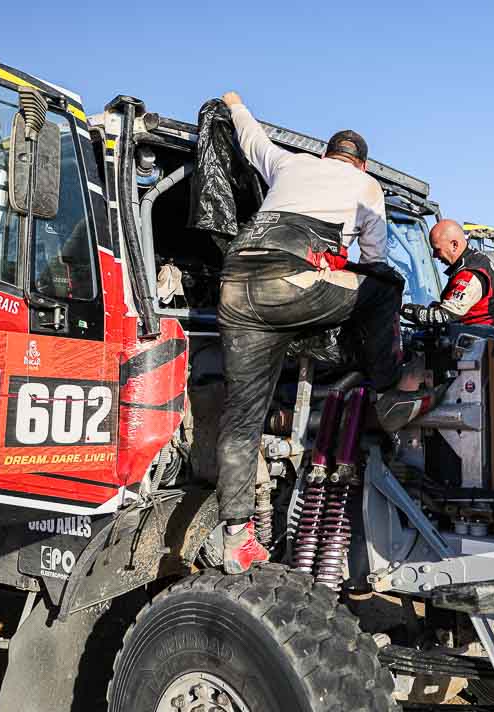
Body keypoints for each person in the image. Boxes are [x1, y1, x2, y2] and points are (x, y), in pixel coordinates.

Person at [212, 91, 432, 574]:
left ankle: (237, 537)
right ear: (362, 163)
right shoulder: (365, 186)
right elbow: (375, 262)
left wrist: (235, 104)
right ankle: (385, 388)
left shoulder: (290, 163)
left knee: (242, 419)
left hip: (235, 286)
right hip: (292, 283)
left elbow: (252, 139)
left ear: (328, 153)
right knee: (385, 286)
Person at [401, 220, 494, 327]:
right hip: (483, 333)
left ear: (454, 245)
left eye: (437, 250)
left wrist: (405, 310)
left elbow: (444, 316)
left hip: (483, 336)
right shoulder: (474, 260)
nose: (434, 255)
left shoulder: (470, 274)